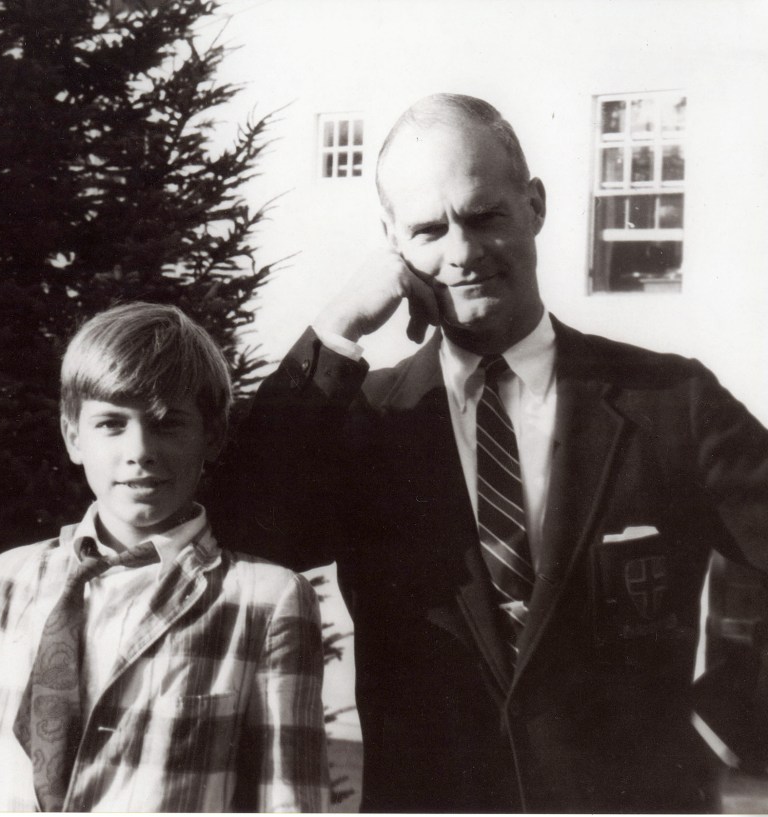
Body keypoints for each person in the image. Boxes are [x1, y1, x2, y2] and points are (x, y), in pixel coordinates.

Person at [210, 94, 768, 812]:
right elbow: (237, 532)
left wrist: (724, 725)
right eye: (427, 229)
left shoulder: (670, 400)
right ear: (393, 242)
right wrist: (336, 326)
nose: (463, 252)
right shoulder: (369, 425)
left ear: (534, 205)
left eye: (484, 216)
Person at [0, 302, 329, 812]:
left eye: (167, 424)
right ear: (73, 437)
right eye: (112, 424)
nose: (140, 450)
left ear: (213, 437)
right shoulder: (11, 578)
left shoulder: (265, 599)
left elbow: (289, 804)